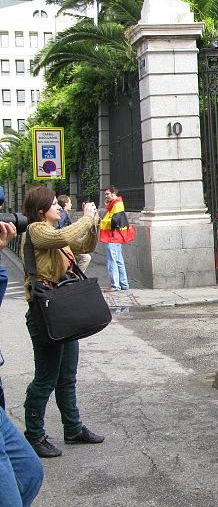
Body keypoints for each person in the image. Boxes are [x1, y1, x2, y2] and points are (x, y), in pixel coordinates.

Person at [21, 186, 105, 458]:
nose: (59, 207)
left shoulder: (55, 235)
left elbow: (84, 245)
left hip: (61, 310)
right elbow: (65, 236)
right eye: (55, 204)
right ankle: (34, 435)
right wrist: (84, 218)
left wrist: (92, 224)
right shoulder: (37, 231)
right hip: (45, 314)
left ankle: (73, 428)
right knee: (46, 378)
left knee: (67, 377)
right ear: (40, 210)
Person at [0, 220, 45, 507]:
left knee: (29, 474)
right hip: (49, 313)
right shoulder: (43, 231)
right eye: (54, 204)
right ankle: (38, 431)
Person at [99, 186, 135, 292]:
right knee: (119, 261)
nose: (105, 196)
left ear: (113, 193)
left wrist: (100, 222)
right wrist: (107, 207)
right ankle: (124, 284)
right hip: (115, 237)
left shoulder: (117, 204)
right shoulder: (115, 204)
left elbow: (115, 221)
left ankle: (115, 285)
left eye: (107, 194)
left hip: (112, 237)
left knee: (112, 261)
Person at [56, 195, 91, 273]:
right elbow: (60, 229)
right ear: (65, 204)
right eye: (70, 202)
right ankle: (76, 277)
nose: (71, 204)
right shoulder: (63, 214)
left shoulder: (64, 213)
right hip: (65, 245)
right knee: (86, 258)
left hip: (66, 244)